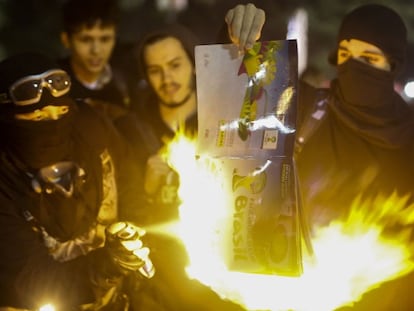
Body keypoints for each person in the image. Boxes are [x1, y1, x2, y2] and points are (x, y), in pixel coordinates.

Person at [115, 3, 265, 310]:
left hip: (223, 280)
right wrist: (146, 188)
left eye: (175, 65)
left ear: (194, 65)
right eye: (155, 70)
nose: (166, 78)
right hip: (161, 283)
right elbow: (123, 217)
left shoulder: (224, 119)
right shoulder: (130, 130)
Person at [0, 51, 160, 310]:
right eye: (39, 118)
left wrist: (133, 238)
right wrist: (105, 265)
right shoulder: (5, 179)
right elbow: (28, 277)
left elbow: (131, 186)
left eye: (61, 112)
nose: (54, 125)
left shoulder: (91, 129)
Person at [294, 4, 414, 310]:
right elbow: (240, 94)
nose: (354, 68)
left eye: (370, 59)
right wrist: (237, 35)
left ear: (393, 65)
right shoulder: (308, 111)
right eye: (346, 56)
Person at [58, 0, 133, 122]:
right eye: (86, 40)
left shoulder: (128, 83)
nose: (96, 50)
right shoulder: (53, 88)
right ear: (66, 40)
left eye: (105, 39)